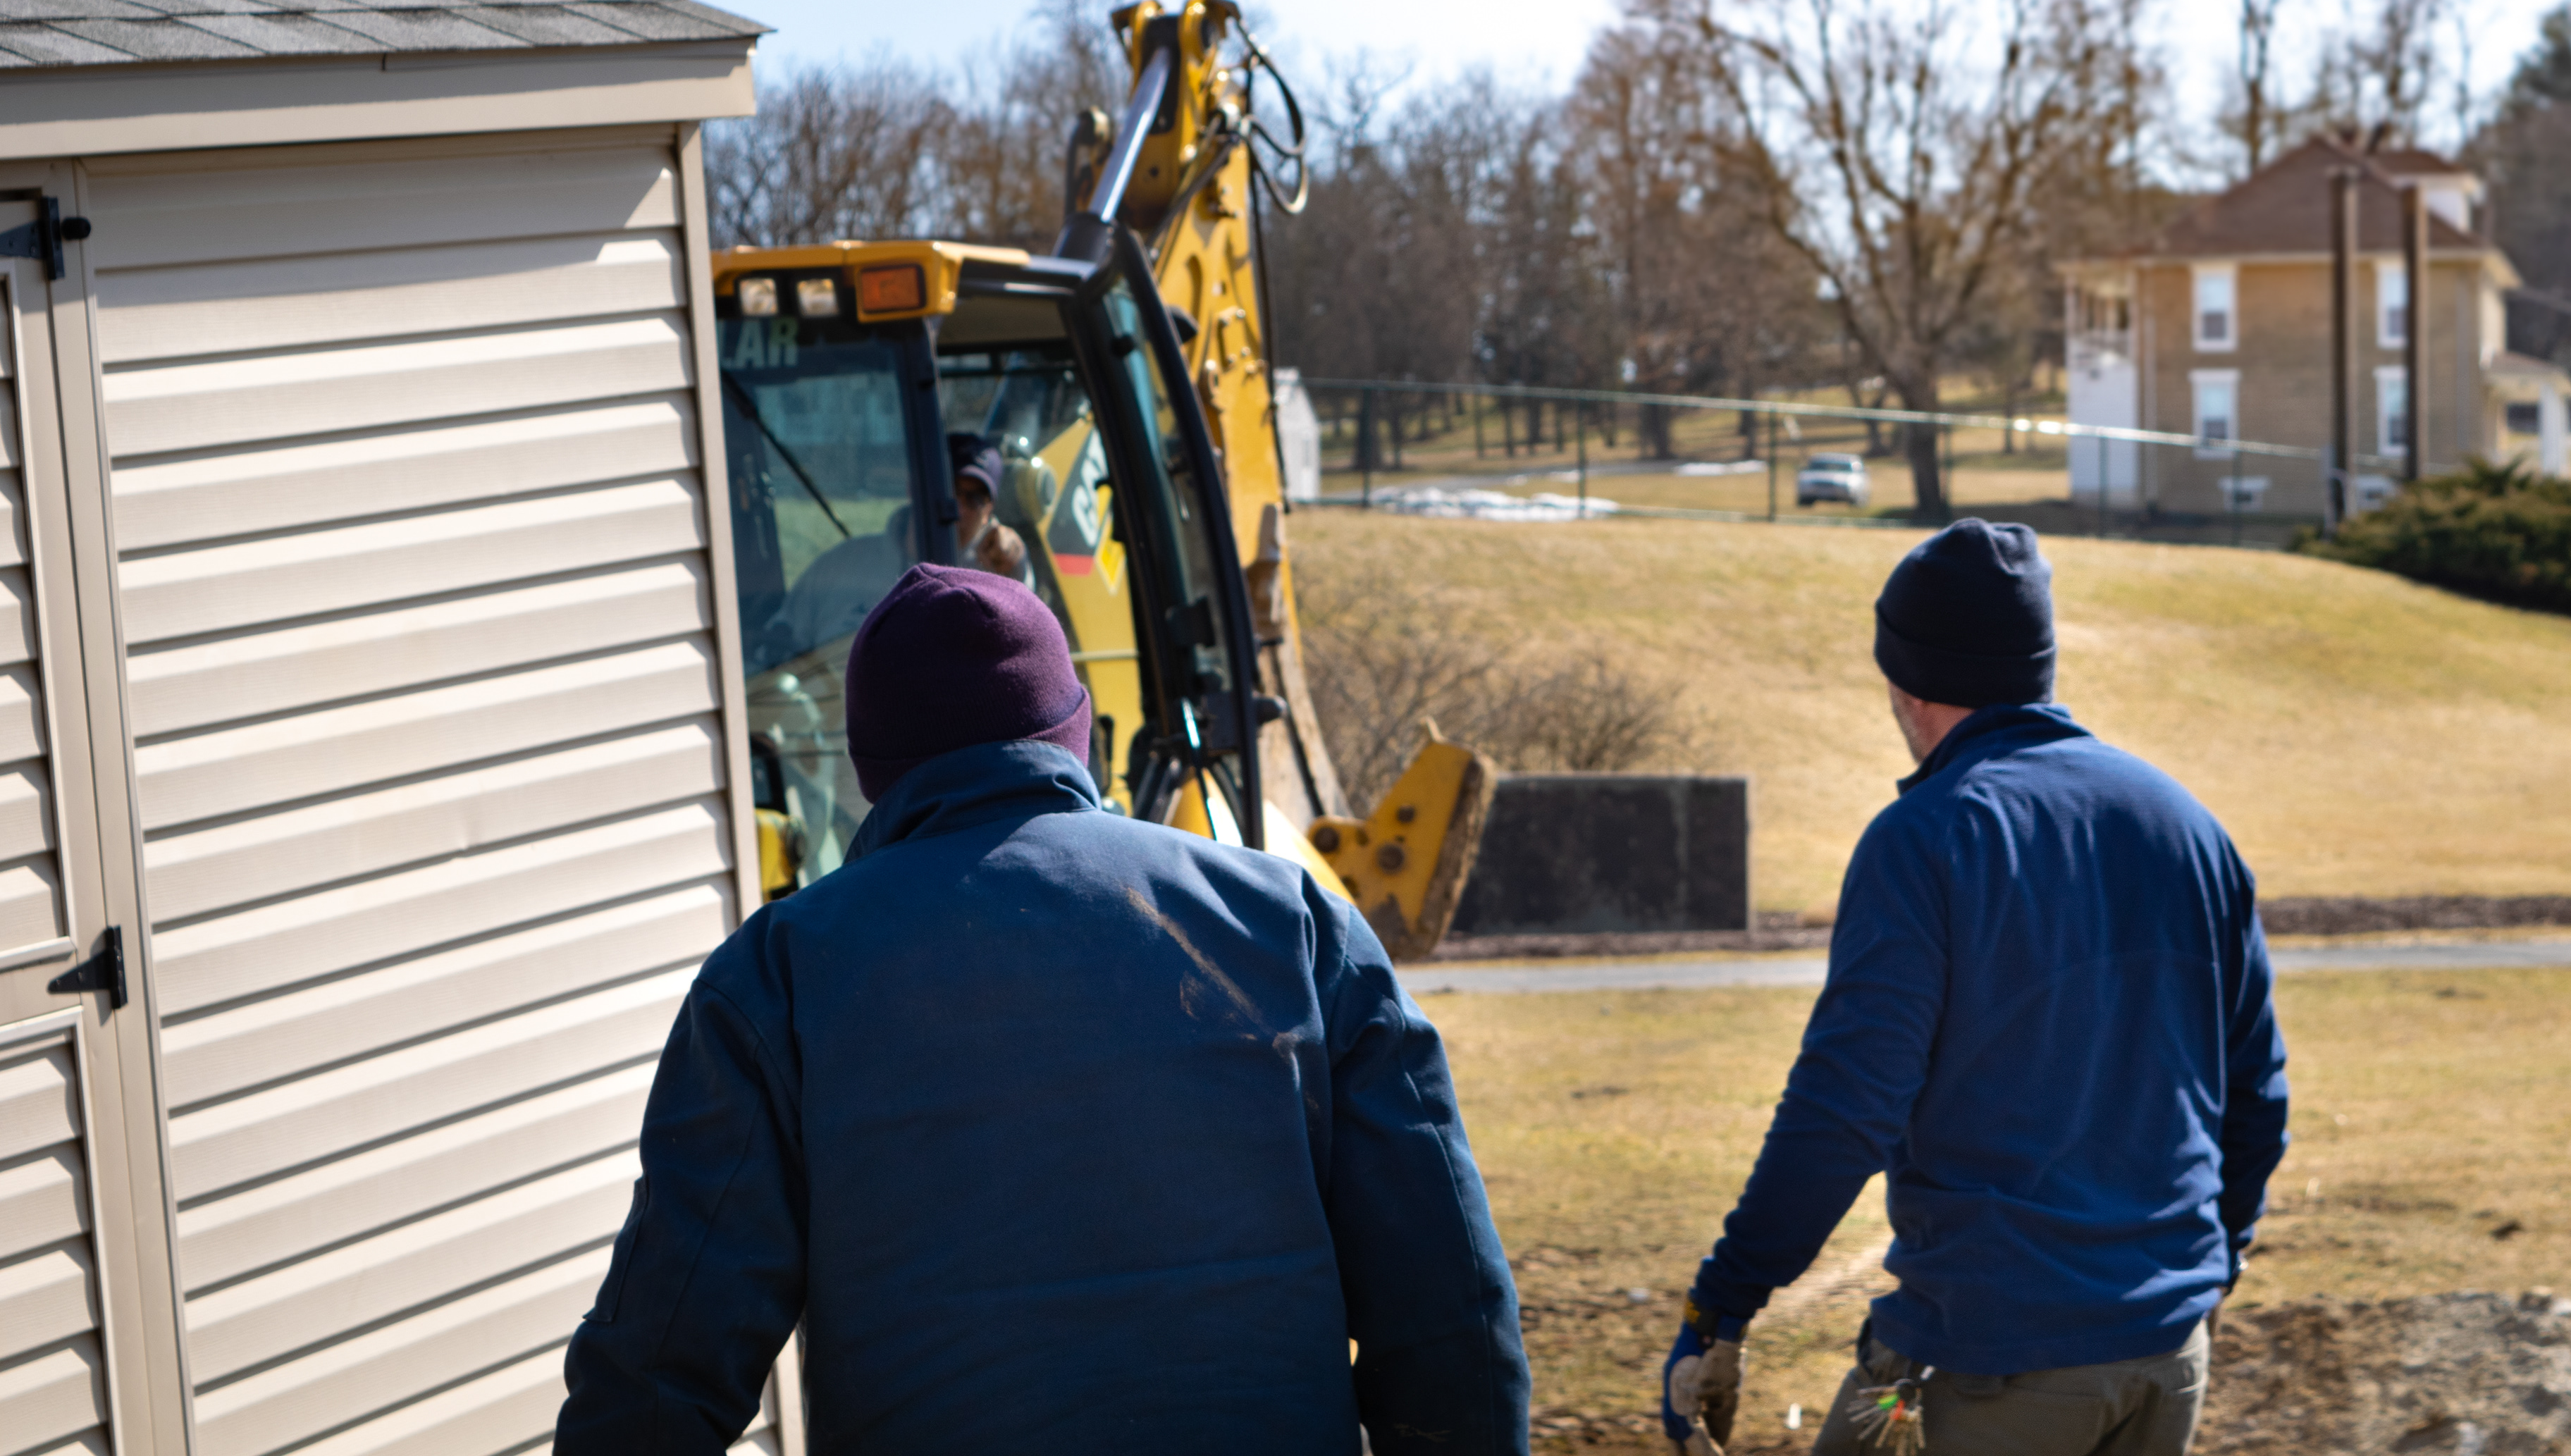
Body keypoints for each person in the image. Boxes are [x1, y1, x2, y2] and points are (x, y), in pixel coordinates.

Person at [558, 563, 1529, 1455]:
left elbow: (657, 1373)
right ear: (1078, 731)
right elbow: (1449, 1307)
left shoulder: (778, 979)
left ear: (871, 771)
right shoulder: (1295, 923)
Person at [1658, 520, 2287, 1456]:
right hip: (2167, 1362)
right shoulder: (2187, 826)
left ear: (1904, 679)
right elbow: (2257, 1094)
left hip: (1975, 1371)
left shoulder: (1926, 837)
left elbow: (1848, 1105)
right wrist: (2208, 1274)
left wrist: (1726, 1297)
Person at [949, 432, 1032, 582]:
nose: (960, 509)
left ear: (988, 509)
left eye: (975, 499)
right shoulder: (902, 528)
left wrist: (1013, 564)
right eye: (952, 491)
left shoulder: (998, 555)